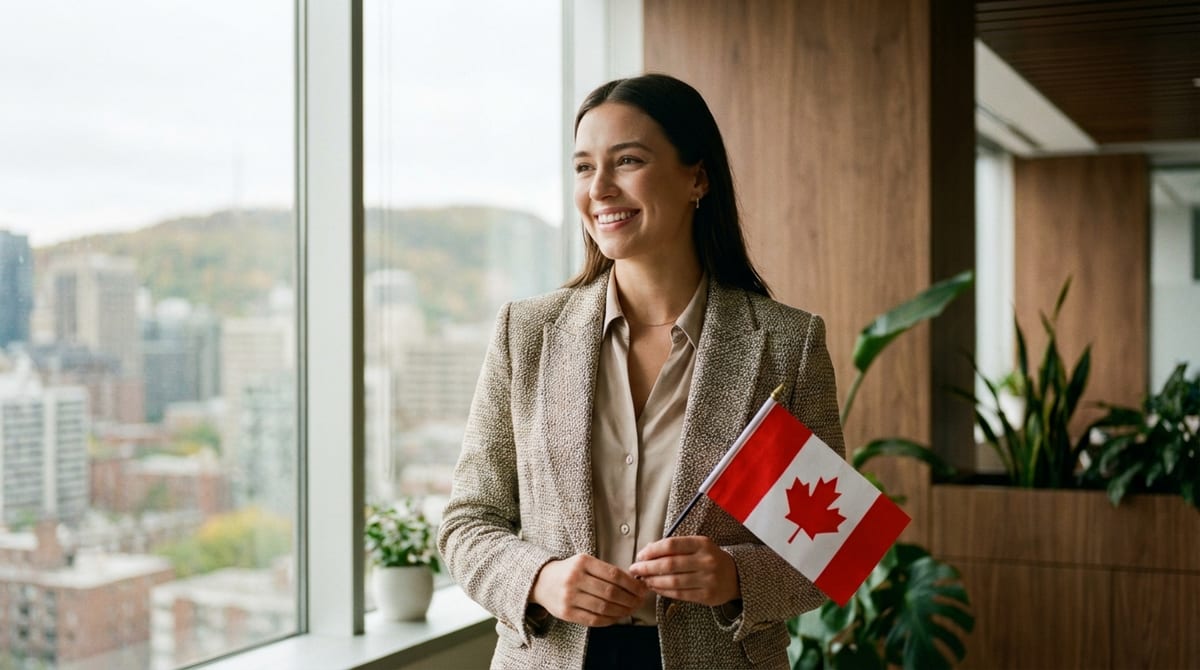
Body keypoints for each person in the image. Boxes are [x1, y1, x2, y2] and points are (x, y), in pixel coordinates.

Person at [437, 73, 844, 670]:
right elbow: (467, 522)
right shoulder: (525, 334)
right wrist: (541, 577)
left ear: (697, 178)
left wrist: (734, 574)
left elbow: (827, 541)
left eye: (626, 161)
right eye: (582, 167)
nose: (599, 188)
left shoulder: (785, 345)